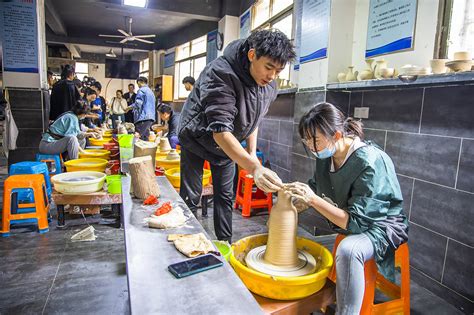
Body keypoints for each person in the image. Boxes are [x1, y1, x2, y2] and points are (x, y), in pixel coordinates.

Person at [285, 102, 408, 315]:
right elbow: (317, 187)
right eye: (306, 139)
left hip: (381, 225)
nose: (311, 146)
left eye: (315, 140)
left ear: (338, 135)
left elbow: (358, 224)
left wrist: (312, 200)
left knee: (349, 250)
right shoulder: (325, 154)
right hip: (353, 220)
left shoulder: (369, 162)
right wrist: (292, 202)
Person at [178, 29, 295, 242]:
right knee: (191, 197)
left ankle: (225, 245)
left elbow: (254, 120)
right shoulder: (221, 74)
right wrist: (255, 168)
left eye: (278, 70)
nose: (272, 76)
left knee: (225, 197)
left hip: (224, 146)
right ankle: (188, 244)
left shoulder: (268, 85)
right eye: (268, 67)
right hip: (196, 137)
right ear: (252, 55)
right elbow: (220, 132)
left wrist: (251, 155)